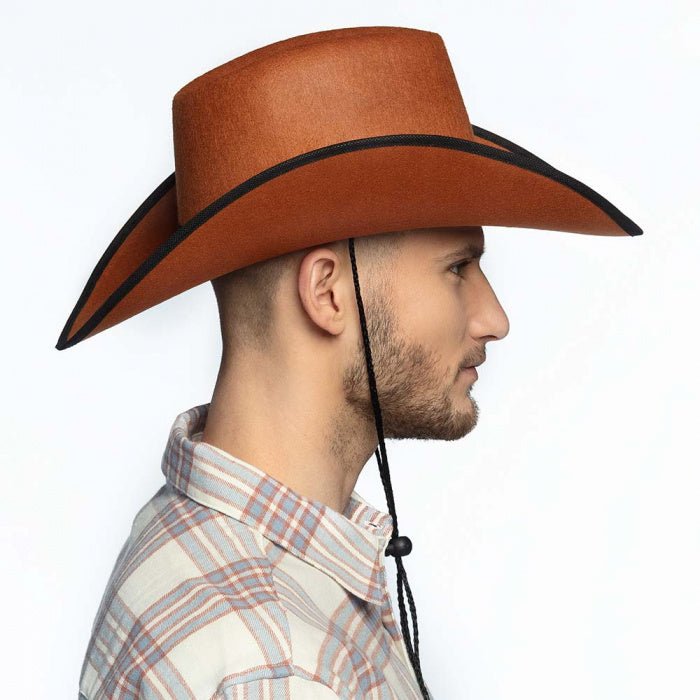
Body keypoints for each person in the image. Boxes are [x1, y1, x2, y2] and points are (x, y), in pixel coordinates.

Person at [60, 26, 642, 700]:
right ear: (329, 293)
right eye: (458, 268)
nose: (494, 318)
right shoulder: (279, 665)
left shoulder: (191, 537)